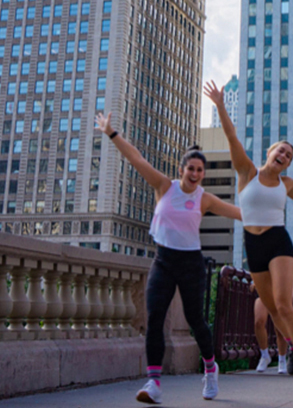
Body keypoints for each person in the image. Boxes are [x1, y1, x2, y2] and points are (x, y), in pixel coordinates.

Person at [207, 81, 293, 393]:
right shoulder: (246, 172)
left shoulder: (286, 183)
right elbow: (231, 137)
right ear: (270, 153)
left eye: (289, 154)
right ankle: (292, 341)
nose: (284, 154)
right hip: (253, 245)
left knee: (284, 304)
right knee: (272, 309)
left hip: (279, 243)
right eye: (280, 150)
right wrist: (219, 104)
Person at [95, 112, 242, 404]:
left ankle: (210, 368)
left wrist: (268, 215)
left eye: (200, 170)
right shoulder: (165, 186)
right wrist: (112, 133)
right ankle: (154, 383)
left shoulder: (204, 198)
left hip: (191, 265)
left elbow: (239, 213)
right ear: (182, 168)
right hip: (163, 262)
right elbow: (136, 159)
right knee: (155, 319)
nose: (195, 174)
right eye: (191, 168)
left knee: (196, 320)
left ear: (204, 173)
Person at [254, 257, 293, 374]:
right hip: (264, 290)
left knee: (279, 328)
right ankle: (265, 355)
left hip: (279, 291)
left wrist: (284, 276)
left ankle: (282, 359)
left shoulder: (282, 244)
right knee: (258, 321)